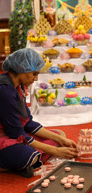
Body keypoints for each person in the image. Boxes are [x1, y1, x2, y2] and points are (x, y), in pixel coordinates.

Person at [0, 48, 78, 177]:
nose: (36, 79)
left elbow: (28, 123)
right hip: (5, 136)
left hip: (12, 133)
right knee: (27, 155)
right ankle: (19, 161)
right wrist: (56, 151)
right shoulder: (4, 90)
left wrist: (60, 140)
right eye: (34, 74)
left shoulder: (17, 86)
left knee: (60, 135)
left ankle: (28, 161)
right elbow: (16, 133)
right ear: (22, 69)